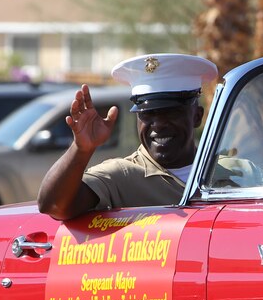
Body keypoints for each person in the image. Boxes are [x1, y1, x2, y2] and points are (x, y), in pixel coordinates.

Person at [38, 53, 217, 219]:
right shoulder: (122, 175)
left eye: (171, 113)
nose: (159, 124)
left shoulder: (234, 172)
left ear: (197, 116)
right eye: (147, 113)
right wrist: (81, 148)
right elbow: (53, 205)